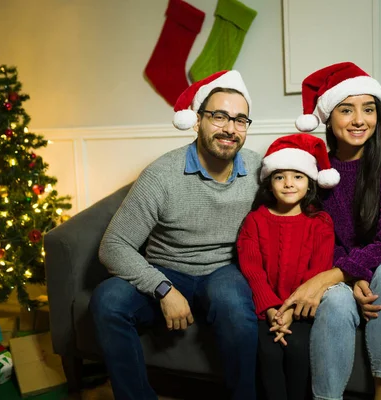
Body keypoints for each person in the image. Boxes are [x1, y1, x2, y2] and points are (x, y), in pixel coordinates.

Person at [89, 70, 262, 400]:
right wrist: (163, 288)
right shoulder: (162, 174)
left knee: (236, 308)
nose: (230, 128)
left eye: (240, 120)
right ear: (198, 121)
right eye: (219, 116)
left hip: (225, 270)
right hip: (167, 269)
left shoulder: (259, 171)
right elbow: (113, 245)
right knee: (107, 300)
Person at [277, 62, 381, 400]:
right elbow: (325, 242)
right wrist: (349, 279)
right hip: (355, 281)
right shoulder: (317, 175)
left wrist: (330, 276)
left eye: (369, 110)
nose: (359, 120)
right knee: (335, 301)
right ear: (328, 117)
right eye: (346, 110)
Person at [236, 133, 338, 400]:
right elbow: (251, 268)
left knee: (296, 349)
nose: (289, 183)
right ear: (269, 184)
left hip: (301, 310)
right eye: (280, 177)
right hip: (265, 309)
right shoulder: (255, 221)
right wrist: (271, 309)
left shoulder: (321, 222)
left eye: (298, 176)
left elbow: (318, 270)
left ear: (310, 183)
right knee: (267, 354)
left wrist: (290, 310)